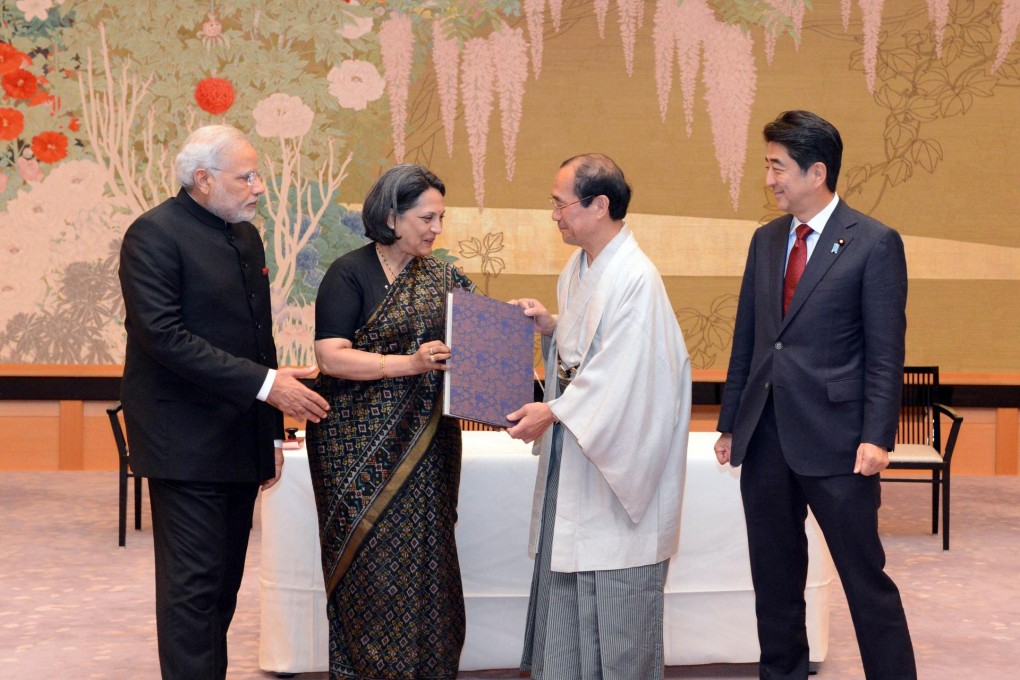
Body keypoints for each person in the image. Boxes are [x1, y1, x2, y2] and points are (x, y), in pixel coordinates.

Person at [118, 124, 330, 680]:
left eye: (258, 174)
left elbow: (257, 342)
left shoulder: (245, 237)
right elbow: (163, 337)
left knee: (222, 589)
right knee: (192, 594)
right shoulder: (153, 235)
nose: (259, 187)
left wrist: (272, 434)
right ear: (203, 179)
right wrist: (268, 386)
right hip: (182, 443)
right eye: (247, 176)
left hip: (239, 439)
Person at [714, 110, 916, 680]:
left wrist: (878, 436)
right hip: (768, 437)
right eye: (768, 166)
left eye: (778, 167)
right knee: (774, 582)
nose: (769, 178)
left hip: (839, 444)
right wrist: (732, 422)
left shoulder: (874, 243)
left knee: (865, 581)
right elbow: (750, 340)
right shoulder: (766, 239)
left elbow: (884, 352)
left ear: (817, 171)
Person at [506, 153, 692, 680]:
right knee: (568, 577)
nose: (554, 215)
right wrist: (551, 325)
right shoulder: (580, 267)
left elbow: (625, 374)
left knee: (614, 599)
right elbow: (592, 345)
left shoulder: (637, 277)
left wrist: (554, 410)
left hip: (613, 465)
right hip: (582, 451)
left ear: (599, 205)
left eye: (560, 204)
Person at [306, 164, 475, 680]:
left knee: (430, 567)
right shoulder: (349, 272)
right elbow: (331, 357)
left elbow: (477, 346)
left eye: (441, 217)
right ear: (390, 216)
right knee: (373, 574)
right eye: (426, 217)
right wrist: (409, 364)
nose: (436, 228)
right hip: (354, 450)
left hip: (427, 448)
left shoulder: (442, 277)